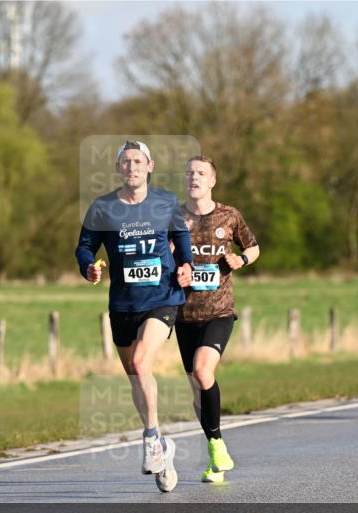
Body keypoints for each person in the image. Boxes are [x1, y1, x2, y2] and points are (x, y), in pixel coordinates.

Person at [75, 140, 193, 492]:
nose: (132, 168)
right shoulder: (103, 207)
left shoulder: (165, 202)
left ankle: (152, 438)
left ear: (150, 166)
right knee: (135, 376)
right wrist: (89, 269)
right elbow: (84, 246)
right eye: (126, 163)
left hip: (162, 297)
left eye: (138, 162)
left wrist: (186, 264)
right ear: (118, 168)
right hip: (123, 304)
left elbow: (180, 234)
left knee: (143, 363)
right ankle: (163, 453)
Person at [176, 156, 259, 483]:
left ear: (212, 181)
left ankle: (216, 444)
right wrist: (175, 271)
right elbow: (164, 257)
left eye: (200, 173)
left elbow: (253, 248)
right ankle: (215, 452)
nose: (194, 177)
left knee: (202, 370)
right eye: (189, 173)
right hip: (184, 314)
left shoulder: (229, 215)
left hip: (220, 311)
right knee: (197, 388)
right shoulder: (174, 217)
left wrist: (240, 259)